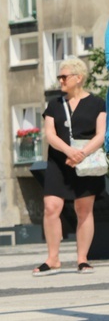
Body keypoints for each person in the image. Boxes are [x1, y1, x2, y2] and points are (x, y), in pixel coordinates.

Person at [33, 58, 106, 276]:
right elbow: (50, 134)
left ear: (78, 78)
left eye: (64, 76)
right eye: (59, 77)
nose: (60, 81)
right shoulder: (55, 104)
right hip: (59, 163)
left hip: (87, 163)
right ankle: (52, 259)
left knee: (84, 210)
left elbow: (101, 135)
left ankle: (82, 259)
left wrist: (81, 154)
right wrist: (69, 152)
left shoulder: (97, 103)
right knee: (51, 207)